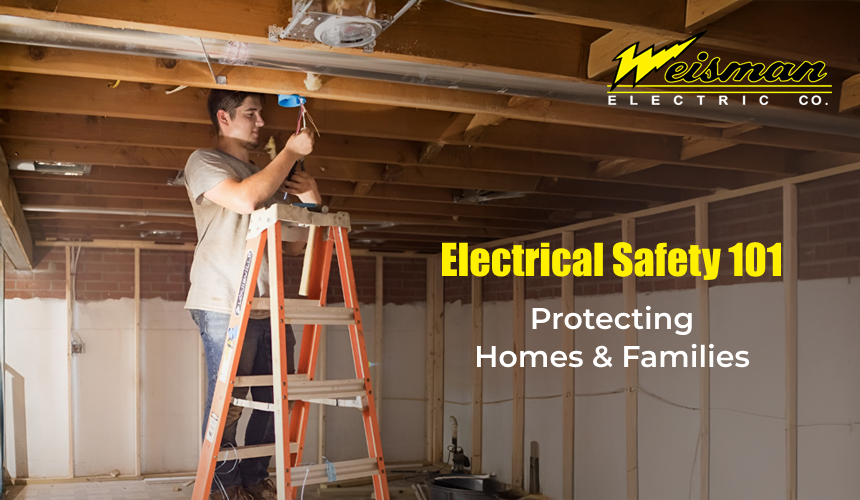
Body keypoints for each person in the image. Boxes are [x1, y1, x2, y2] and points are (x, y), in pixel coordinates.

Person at [183, 89, 320, 500]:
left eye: (261, 114)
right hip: (224, 301)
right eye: (251, 114)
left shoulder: (268, 177)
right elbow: (246, 198)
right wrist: (291, 153)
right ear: (224, 119)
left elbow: (295, 245)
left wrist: (311, 196)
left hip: (268, 305)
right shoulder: (204, 162)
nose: (261, 122)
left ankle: (253, 477)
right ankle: (223, 484)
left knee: (275, 398)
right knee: (229, 400)